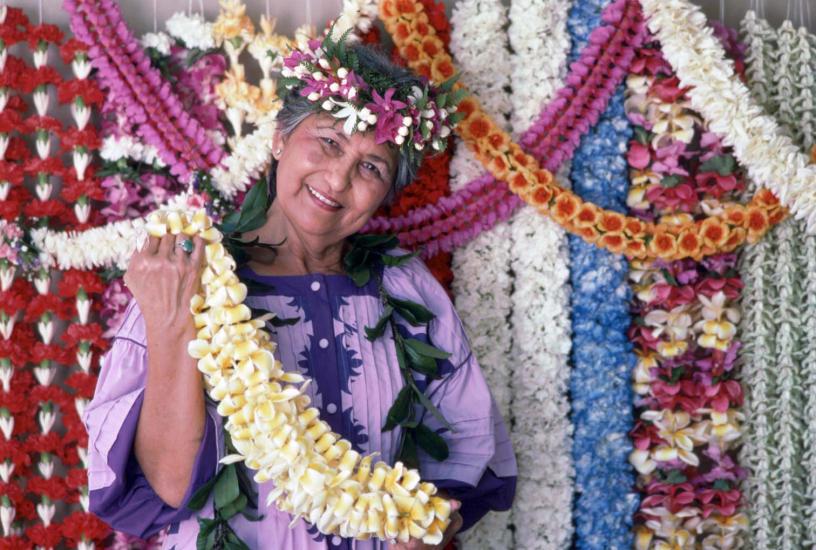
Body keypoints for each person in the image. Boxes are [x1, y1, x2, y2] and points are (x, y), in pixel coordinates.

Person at [84, 38, 516, 550]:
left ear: (388, 193)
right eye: (330, 141)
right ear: (279, 137)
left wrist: (430, 526)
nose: (337, 179)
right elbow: (170, 486)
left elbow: (466, 452)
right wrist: (172, 321)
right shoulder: (191, 273)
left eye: (371, 167)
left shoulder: (404, 286)